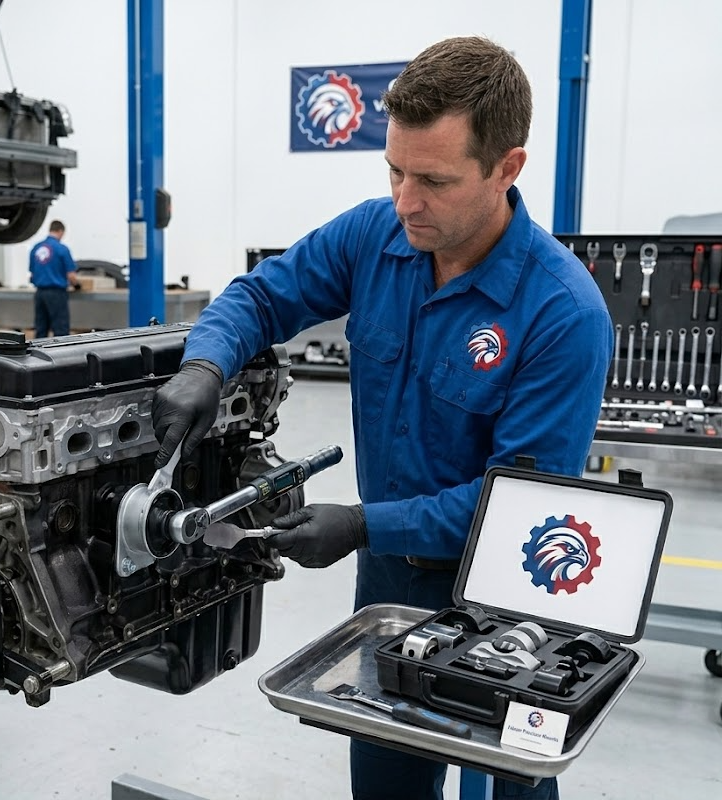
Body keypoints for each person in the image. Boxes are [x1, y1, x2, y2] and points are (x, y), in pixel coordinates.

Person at [151, 36, 612, 800]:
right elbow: (261, 296)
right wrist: (207, 363)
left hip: (509, 599)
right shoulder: (376, 236)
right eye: (394, 170)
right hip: (393, 580)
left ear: (508, 169)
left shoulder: (563, 314)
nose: (406, 200)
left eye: (433, 179)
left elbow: (519, 511)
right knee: (389, 778)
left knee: (509, 782)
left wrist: (363, 525)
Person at [30, 220, 79, 337]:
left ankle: (38, 354)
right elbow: (71, 275)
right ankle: (61, 355)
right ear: (61, 231)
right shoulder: (62, 249)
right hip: (56, 294)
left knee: (41, 329)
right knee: (60, 329)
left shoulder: (36, 248)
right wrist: (77, 285)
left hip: (40, 293)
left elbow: (32, 273)